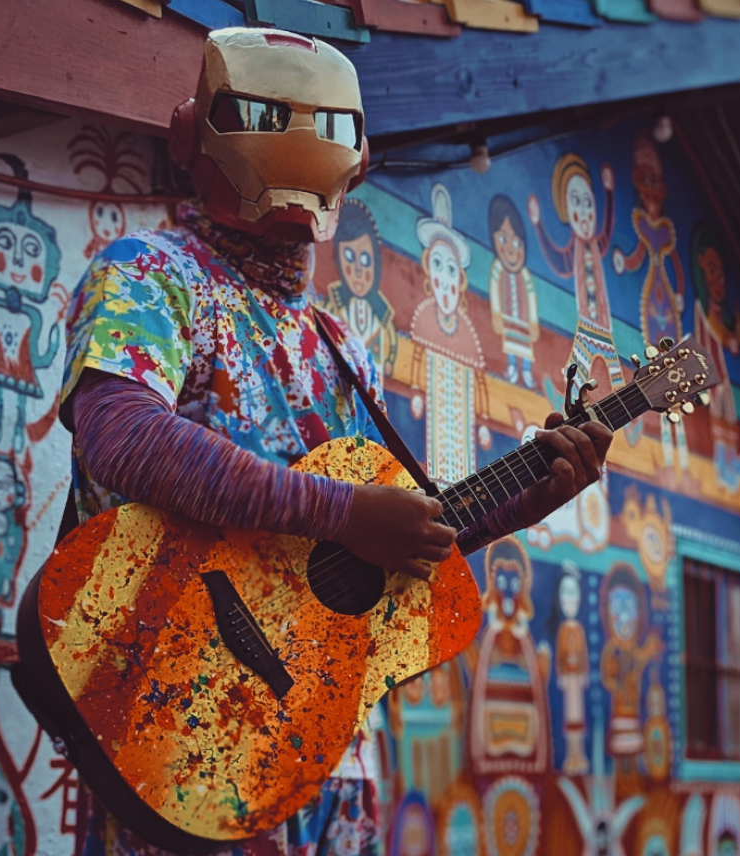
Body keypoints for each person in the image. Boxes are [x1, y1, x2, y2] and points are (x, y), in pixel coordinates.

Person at [59, 28, 612, 856]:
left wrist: (525, 503)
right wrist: (344, 511)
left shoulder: (337, 342)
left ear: (190, 138)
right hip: (178, 729)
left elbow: (373, 551)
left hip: (332, 748)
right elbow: (120, 435)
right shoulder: (148, 273)